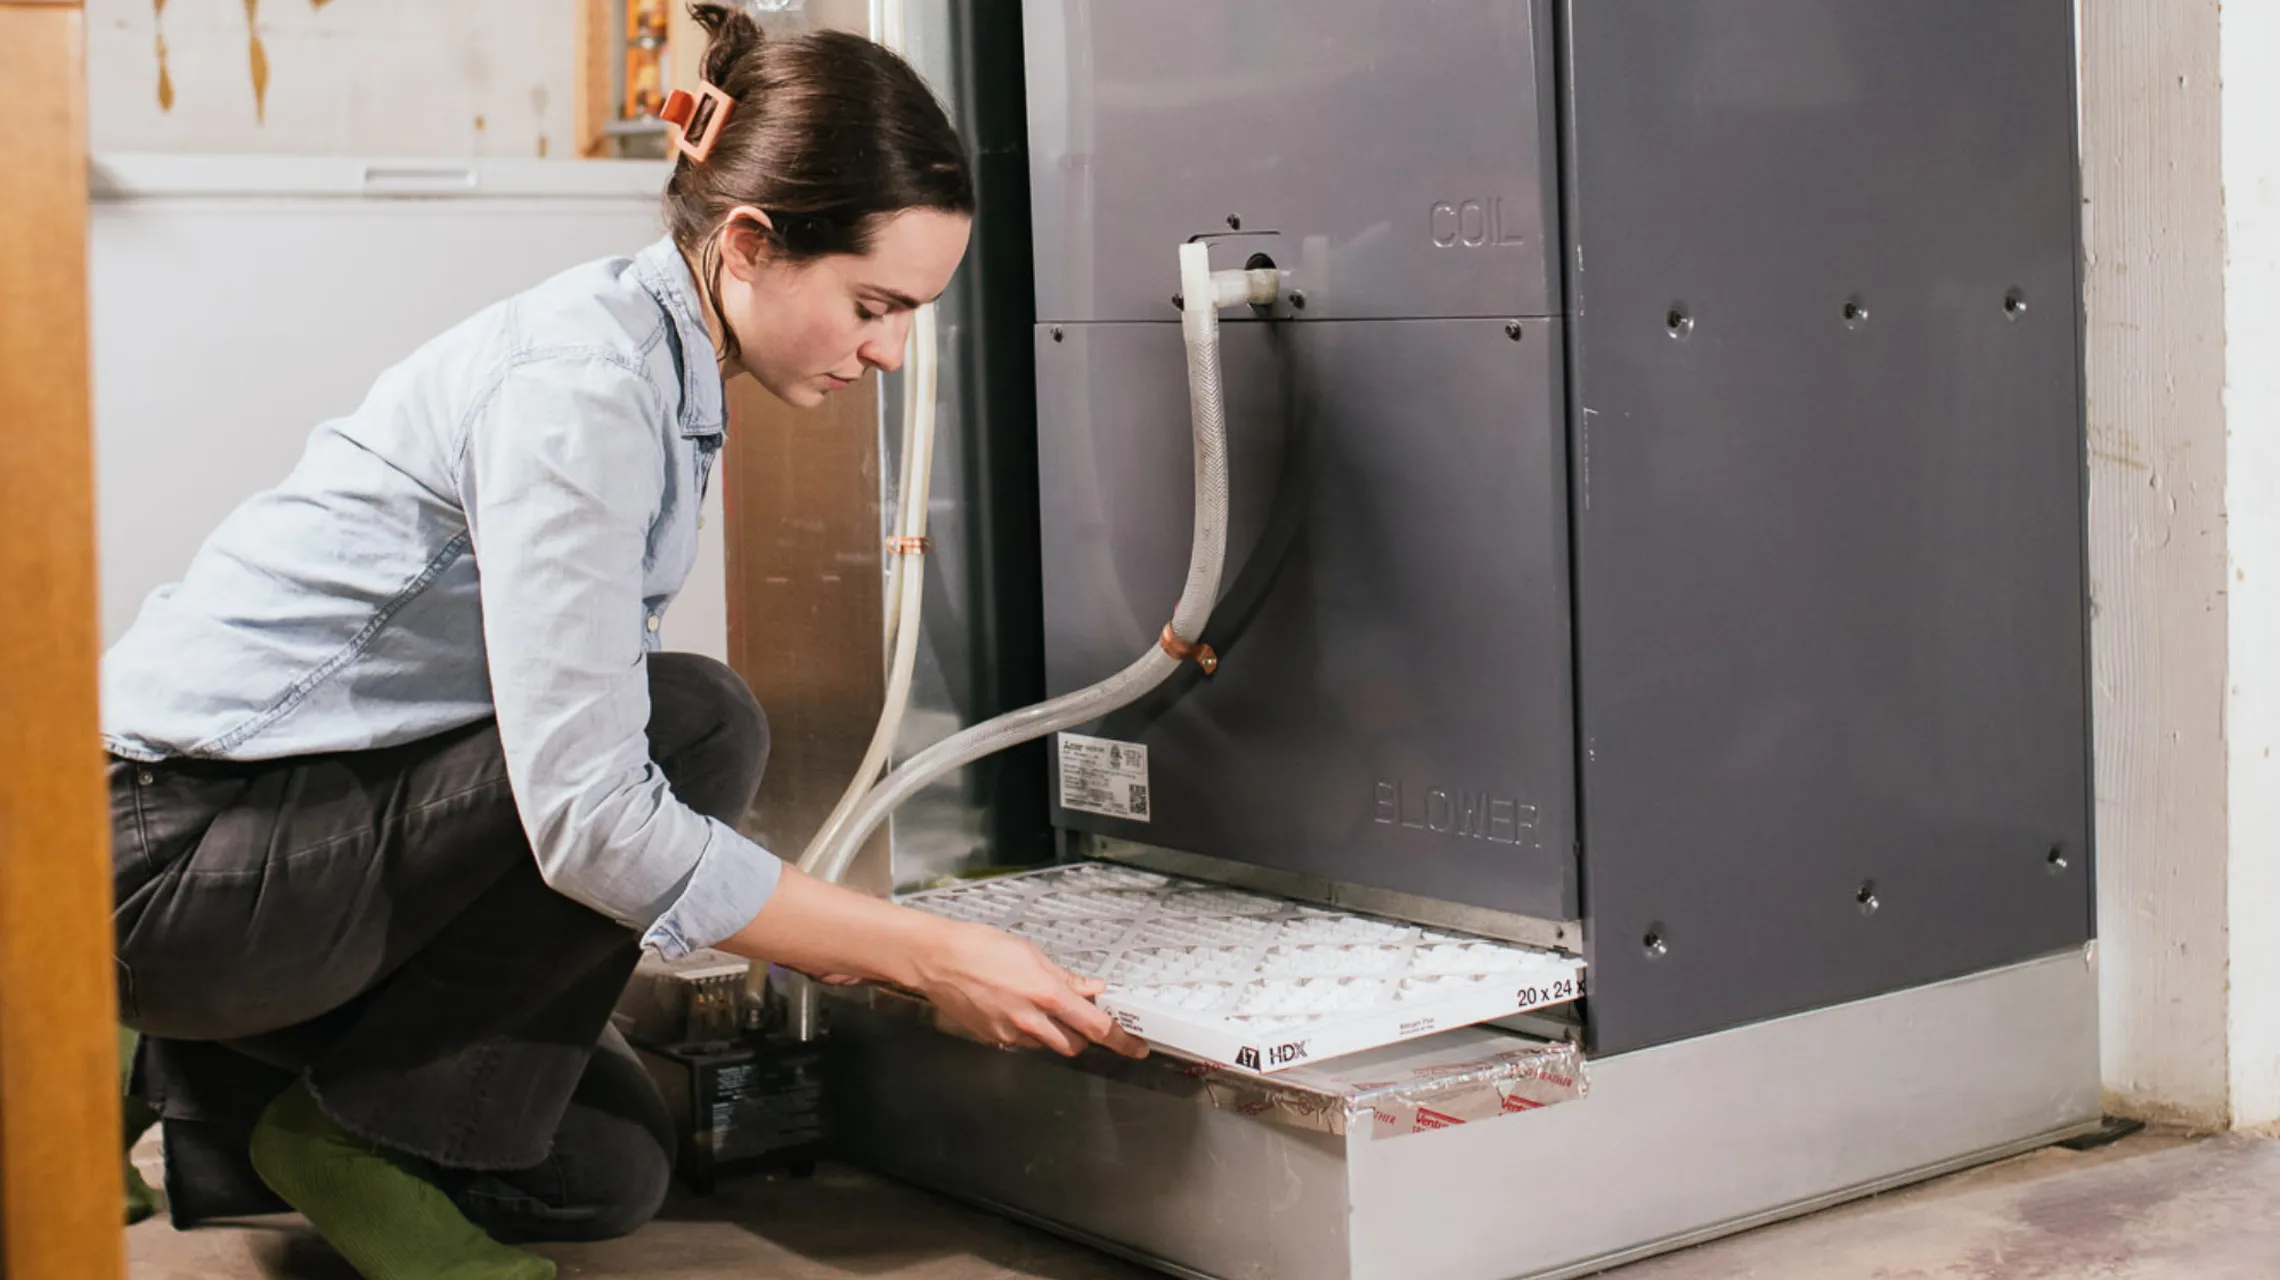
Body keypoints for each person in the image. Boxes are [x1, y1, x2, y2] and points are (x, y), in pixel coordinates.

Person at [103, 7, 1144, 1277]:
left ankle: (190, 1079)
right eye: (875, 303)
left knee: (604, 1170)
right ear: (752, 242)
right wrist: (928, 954)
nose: (889, 349)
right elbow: (591, 814)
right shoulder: (582, 391)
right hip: (158, 857)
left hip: (277, 834)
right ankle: (298, 1116)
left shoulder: (659, 354)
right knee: (697, 721)